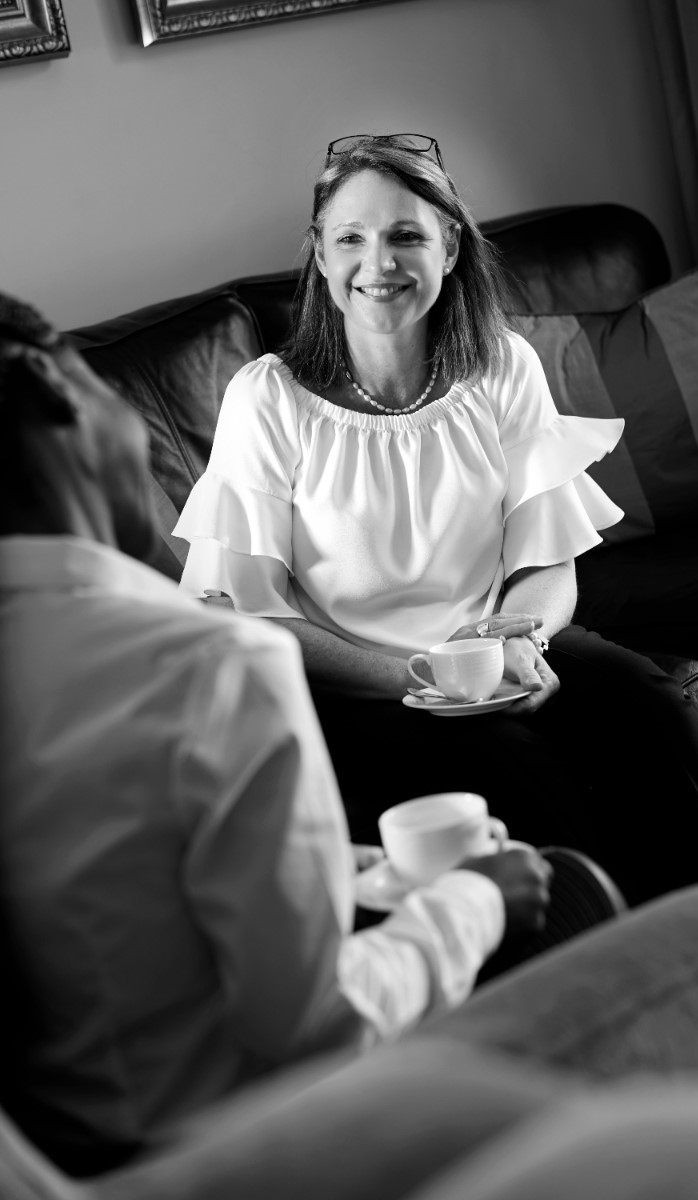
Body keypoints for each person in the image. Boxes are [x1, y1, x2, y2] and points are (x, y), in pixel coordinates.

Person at [0, 290, 553, 1175]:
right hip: (243, 1152)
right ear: (56, 388)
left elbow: (106, 882)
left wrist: (341, 864)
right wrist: (476, 902)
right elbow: (317, 1030)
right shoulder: (213, 666)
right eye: (110, 395)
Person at [175, 132, 698, 904]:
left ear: (450, 248)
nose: (379, 264)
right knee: (526, 776)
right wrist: (428, 678)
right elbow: (253, 614)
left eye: (406, 235)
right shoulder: (267, 399)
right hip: (361, 683)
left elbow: (546, 564)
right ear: (320, 256)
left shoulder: (502, 365)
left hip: (493, 654)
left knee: (656, 712)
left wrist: (520, 642)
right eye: (351, 239)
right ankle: (603, 963)